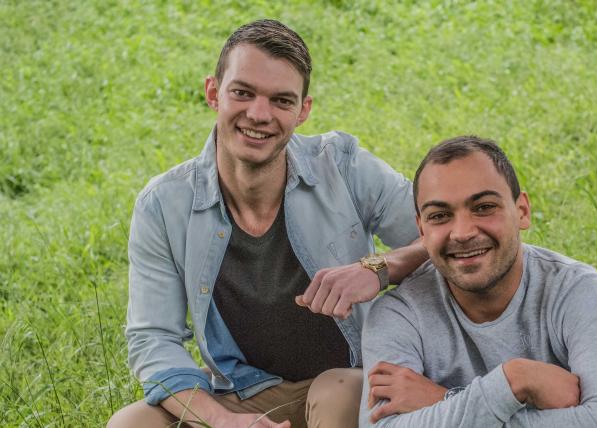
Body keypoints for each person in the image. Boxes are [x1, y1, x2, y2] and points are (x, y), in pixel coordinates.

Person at [108, 19, 427, 428]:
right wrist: (222, 420)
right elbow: (154, 339)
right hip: (245, 391)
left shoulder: (344, 166)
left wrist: (379, 269)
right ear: (213, 93)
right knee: (131, 424)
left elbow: (442, 240)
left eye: (281, 100)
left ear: (303, 111)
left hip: (350, 379)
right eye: (242, 93)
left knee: (337, 391)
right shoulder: (164, 204)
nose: (259, 115)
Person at [359, 136, 597, 427]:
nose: (463, 232)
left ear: (522, 211)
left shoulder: (580, 293)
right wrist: (515, 380)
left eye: (483, 207)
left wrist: (443, 400)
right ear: (421, 229)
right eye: (440, 216)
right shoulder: (398, 313)